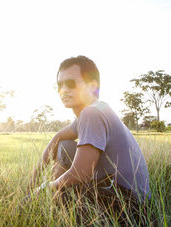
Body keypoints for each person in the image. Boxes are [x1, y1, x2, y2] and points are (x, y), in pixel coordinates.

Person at [28, 55, 152, 223]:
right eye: (59, 85)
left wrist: (43, 189)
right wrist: (34, 178)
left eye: (71, 83)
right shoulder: (97, 109)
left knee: (62, 192)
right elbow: (58, 138)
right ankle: (53, 204)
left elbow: (81, 174)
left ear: (92, 86)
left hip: (128, 206)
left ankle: (53, 207)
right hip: (131, 200)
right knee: (64, 146)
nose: (63, 90)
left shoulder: (91, 113)